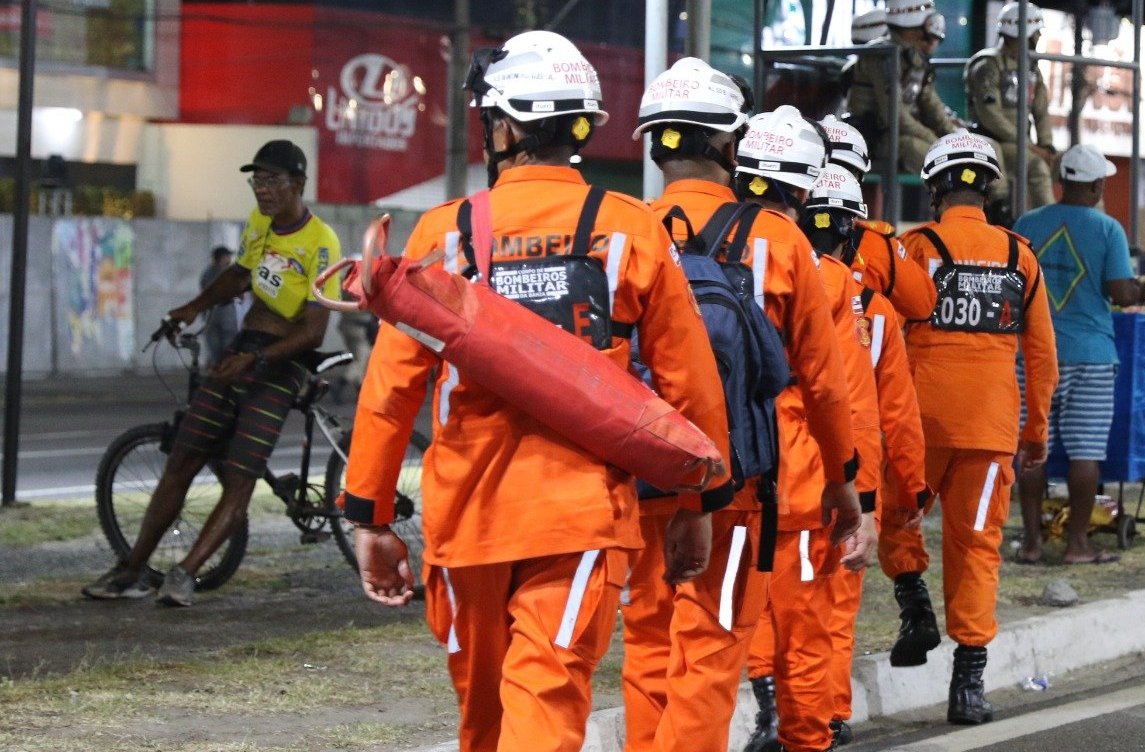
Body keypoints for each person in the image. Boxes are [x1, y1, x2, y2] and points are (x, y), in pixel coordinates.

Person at [338, 33, 735, 752]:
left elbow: (392, 388)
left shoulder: (443, 234)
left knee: (485, 720)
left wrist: (369, 515)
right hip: (581, 515)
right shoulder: (628, 228)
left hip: (467, 520)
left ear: (507, 126)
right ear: (579, 126)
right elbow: (689, 382)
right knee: (544, 706)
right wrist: (697, 502)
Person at [82, 140, 339, 607]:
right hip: (242, 350)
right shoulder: (260, 223)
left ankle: (184, 574)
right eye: (256, 180)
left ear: (298, 185)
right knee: (183, 455)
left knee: (241, 477)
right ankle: (132, 569)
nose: (262, 190)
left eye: (272, 180)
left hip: (282, 363)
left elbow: (315, 333)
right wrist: (192, 307)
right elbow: (241, 275)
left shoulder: (323, 242)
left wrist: (259, 361)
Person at [619, 57, 775, 752]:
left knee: (647, 640)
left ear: (656, 147)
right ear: (732, 148)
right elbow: (827, 380)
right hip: (733, 483)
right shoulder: (779, 238)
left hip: (637, 472)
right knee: (711, 645)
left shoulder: (620, 234)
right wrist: (844, 480)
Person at [889, 131, 1057, 724]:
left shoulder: (914, 248)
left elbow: (885, 335)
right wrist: (1035, 429)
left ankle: (915, 609)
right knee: (977, 548)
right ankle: (969, 685)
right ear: (988, 188)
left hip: (917, 423)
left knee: (893, 515)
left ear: (935, 188)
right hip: (991, 428)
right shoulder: (1020, 257)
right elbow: (1041, 356)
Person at [718, 106, 868, 752]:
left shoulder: (683, 235)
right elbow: (832, 386)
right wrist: (849, 480)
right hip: (798, 474)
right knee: (804, 627)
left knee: (720, 624)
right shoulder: (802, 258)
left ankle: (766, 717)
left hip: (715, 471)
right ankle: (801, 736)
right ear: (804, 188)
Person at [798, 165, 930, 746]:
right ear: (853, 231)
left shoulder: (776, 286)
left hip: (787, 469)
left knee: (785, 596)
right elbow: (899, 412)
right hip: (861, 475)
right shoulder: (876, 310)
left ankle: (779, 711)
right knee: (836, 599)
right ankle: (829, 711)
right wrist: (914, 485)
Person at [1011, 144, 1145, 566]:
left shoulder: (1027, 223)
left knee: (1031, 449)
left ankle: (1032, 543)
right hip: (1090, 354)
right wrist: (1144, 289)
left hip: (1033, 355)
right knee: (1086, 453)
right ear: (1096, 185)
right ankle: (1077, 545)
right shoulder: (1108, 230)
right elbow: (1122, 293)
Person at [819, 115, 938, 321]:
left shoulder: (782, 230)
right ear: (858, 176)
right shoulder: (877, 244)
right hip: (860, 350)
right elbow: (924, 304)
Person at [846, 0, 963, 174]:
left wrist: (954, 137)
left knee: (961, 155)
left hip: (900, 133)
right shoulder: (883, 55)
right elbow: (895, 117)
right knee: (940, 160)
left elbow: (931, 103)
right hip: (876, 138)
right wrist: (937, 141)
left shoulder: (912, 56)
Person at [965, 2, 1055, 211]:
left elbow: (1041, 110)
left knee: (1065, 165)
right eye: (1036, 31)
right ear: (1025, 32)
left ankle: (1059, 223)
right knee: (1036, 166)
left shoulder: (1031, 66)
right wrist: (1029, 145)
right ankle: (1002, 213)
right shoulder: (987, 64)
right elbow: (990, 115)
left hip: (1023, 143)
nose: (1039, 36)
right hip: (991, 139)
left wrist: (1047, 145)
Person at [198, 246, 240, 367]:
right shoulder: (226, 273)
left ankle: (217, 366)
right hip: (225, 311)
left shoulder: (207, 273)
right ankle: (225, 366)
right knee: (229, 341)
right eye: (228, 256)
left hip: (209, 313)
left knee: (213, 342)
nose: (230, 259)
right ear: (222, 258)